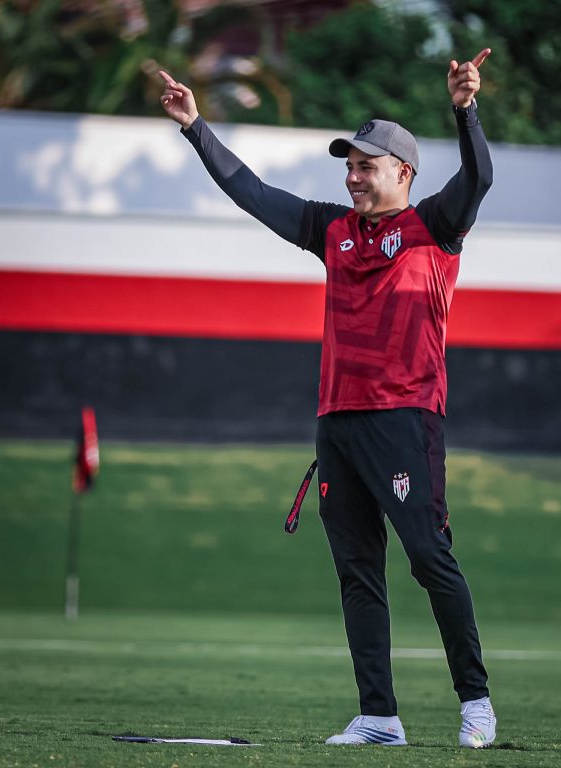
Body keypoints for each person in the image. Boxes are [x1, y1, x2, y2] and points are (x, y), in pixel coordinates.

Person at [159, 49, 497, 748]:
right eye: (348, 164)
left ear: (402, 172)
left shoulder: (436, 224)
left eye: (365, 165)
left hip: (406, 419)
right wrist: (196, 127)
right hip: (336, 425)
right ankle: (379, 717)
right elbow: (252, 192)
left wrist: (465, 111)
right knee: (356, 573)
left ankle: (476, 701)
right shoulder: (331, 230)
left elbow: (481, 176)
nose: (352, 175)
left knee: (430, 560)